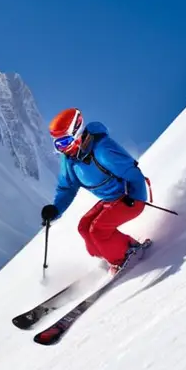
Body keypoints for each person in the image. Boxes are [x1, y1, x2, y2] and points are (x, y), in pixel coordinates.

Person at [41, 108, 150, 273]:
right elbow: (67, 188)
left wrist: (136, 196)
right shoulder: (69, 159)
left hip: (130, 197)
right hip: (110, 200)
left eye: (64, 142)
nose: (61, 149)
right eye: (57, 144)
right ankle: (112, 255)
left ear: (77, 134)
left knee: (98, 230)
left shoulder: (102, 150)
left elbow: (133, 173)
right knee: (84, 227)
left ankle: (126, 255)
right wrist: (55, 210)